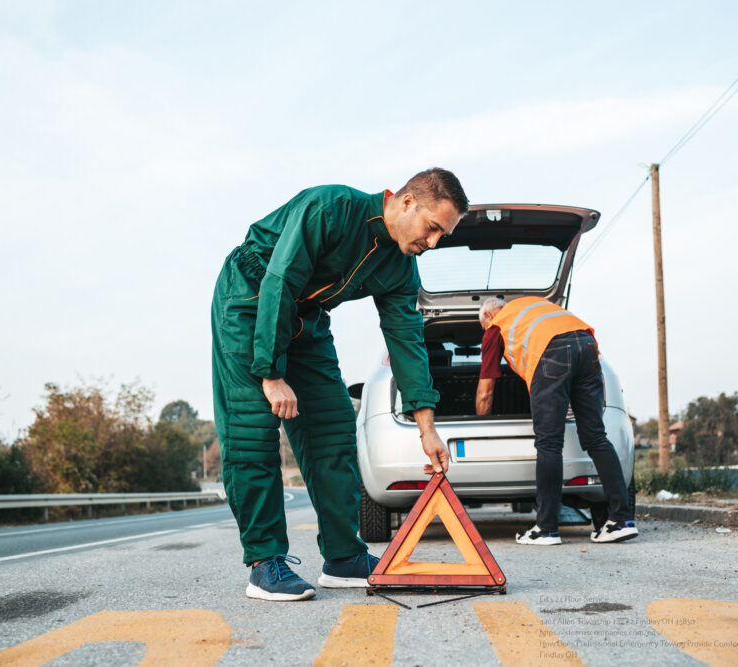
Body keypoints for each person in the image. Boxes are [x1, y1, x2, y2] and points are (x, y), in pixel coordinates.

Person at [211, 168, 469, 601]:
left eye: (442, 235)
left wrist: (426, 427)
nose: (434, 243)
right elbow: (280, 280)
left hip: (305, 320)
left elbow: (406, 340)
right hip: (250, 299)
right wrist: (271, 374)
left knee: (332, 429)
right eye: (433, 228)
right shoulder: (330, 208)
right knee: (252, 432)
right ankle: (264, 562)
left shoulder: (401, 267)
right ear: (406, 202)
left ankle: (344, 556)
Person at [475, 297, 638, 545]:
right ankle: (621, 520)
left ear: (487, 316)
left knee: (549, 443)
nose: (485, 332)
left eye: (482, 328)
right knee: (596, 436)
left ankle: (546, 529)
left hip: (552, 351)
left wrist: (480, 425)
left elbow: (486, 391)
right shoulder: (534, 305)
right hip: (587, 343)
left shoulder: (496, 326)